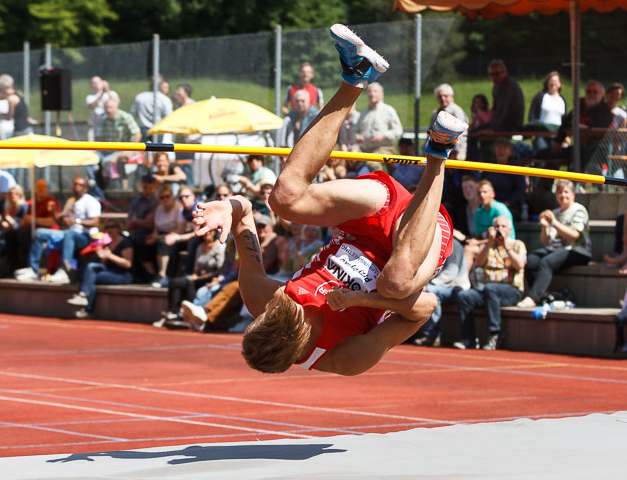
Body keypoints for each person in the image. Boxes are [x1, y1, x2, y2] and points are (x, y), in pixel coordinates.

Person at [191, 24, 466, 375]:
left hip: (367, 220)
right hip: (418, 238)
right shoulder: (344, 357)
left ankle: (356, 75)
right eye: (289, 313)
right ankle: (439, 151)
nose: (285, 302)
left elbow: (245, 213)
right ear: (298, 342)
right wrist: (365, 300)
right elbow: (424, 307)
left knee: (285, 199)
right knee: (395, 283)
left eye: (274, 310)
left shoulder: (263, 300)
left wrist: (228, 209)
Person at [455, 215, 527, 350]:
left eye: (503, 227)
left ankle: (495, 334)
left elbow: (520, 265)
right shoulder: (489, 245)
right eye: (497, 227)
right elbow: (479, 263)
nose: (500, 229)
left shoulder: (517, 244)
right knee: (464, 296)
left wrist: (506, 246)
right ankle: (468, 339)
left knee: (490, 288)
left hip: (511, 291)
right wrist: (489, 243)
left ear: (510, 230)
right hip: (489, 291)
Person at [517, 180, 591, 308]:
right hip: (556, 249)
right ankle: (541, 293)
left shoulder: (579, 210)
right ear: (556, 195)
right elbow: (546, 242)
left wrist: (554, 223)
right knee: (530, 260)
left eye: (566, 192)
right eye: (559, 192)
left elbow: (574, 236)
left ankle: (533, 297)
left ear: (573, 194)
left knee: (546, 262)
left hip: (578, 250)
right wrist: (545, 227)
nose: (563, 195)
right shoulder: (555, 212)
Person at [16, 177, 102, 283]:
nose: (76, 187)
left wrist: (76, 221)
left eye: (79, 185)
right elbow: (59, 221)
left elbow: (96, 222)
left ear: (85, 189)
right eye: (75, 184)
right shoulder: (70, 201)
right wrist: (53, 212)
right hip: (67, 234)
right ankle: (33, 269)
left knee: (69, 233)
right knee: (39, 233)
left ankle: (64, 270)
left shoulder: (91, 201)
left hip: (84, 237)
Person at [67, 219, 134, 319]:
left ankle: (85, 302)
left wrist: (110, 255)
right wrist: (101, 256)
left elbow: (128, 264)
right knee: (89, 272)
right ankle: (85, 301)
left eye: (112, 227)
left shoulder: (125, 242)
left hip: (124, 275)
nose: (109, 229)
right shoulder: (105, 243)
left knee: (89, 277)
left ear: (118, 229)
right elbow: (104, 265)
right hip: (110, 272)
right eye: (107, 227)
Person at [412, 238, 470, 348]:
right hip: (438, 286)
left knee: (430, 292)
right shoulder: (431, 243)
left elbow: (451, 274)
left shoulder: (454, 245)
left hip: (456, 287)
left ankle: (432, 334)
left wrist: (427, 283)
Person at [543, 80, 612, 169]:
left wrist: (582, 127)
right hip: (579, 147)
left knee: (581, 154)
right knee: (549, 154)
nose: (591, 94)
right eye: (588, 92)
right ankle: (546, 182)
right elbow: (566, 123)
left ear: (601, 94)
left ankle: (578, 181)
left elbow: (600, 126)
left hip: (598, 148)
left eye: (595, 92)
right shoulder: (580, 105)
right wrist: (558, 141)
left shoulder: (604, 108)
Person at [354, 81, 404, 163]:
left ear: (382, 94)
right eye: (370, 91)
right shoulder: (363, 113)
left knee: (372, 163)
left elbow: (398, 131)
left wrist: (383, 136)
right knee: (349, 160)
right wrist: (358, 137)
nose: (372, 94)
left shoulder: (388, 110)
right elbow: (356, 131)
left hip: (384, 149)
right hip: (364, 150)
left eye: (375, 91)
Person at [479, 137, 527, 220]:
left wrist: (508, 203)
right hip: (490, 204)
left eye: (504, 147)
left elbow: (521, 188)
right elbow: (482, 183)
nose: (501, 150)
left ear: (510, 152)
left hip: (511, 206)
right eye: (498, 147)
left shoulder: (515, 168)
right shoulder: (489, 166)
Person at [483, 59, 525, 132]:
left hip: (511, 125)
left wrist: (493, 129)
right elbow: (495, 110)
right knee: (474, 131)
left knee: (476, 134)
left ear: (504, 72)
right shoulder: (496, 87)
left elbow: (502, 109)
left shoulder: (508, 84)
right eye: (491, 74)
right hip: (501, 124)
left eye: (497, 73)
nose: (494, 77)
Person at [430, 83, 468, 159]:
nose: (443, 98)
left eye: (445, 96)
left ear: (452, 97)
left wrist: (457, 150)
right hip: (438, 151)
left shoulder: (457, 111)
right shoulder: (435, 113)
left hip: (456, 152)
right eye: (440, 96)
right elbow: (431, 132)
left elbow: (462, 133)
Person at [130, 75, 174, 140]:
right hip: (158, 130)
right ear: (161, 85)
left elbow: (133, 114)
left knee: (144, 149)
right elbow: (169, 117)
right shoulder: (165, 99)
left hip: (143, 130)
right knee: (158, 149)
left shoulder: (140, 97)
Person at [0, 74, 32, 138]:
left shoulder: (11, 99)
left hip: (21, 131)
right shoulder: (18, 93)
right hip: (25, 129)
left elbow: (9, 117)